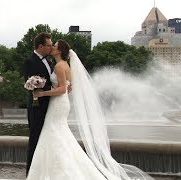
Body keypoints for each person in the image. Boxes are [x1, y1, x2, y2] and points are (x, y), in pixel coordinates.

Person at [27, 40, 153, 179]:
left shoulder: (58, 66)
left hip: (57, 103)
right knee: (59, 133)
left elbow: (62, 89)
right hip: (60, 103)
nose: (52, 47)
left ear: (59, 51)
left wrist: (42, 93)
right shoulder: (65, 65)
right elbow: (68, 86)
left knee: (53, 131)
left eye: (55, 46)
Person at [23, 32, 53, 176]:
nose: (51, 48)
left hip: (51, 106)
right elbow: (29, 85)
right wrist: (37, 87)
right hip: (37, 107)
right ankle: (31, 173)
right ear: (40, 46)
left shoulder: (50, 61)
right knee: (35, 138)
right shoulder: (30, 61)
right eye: (49, 45)